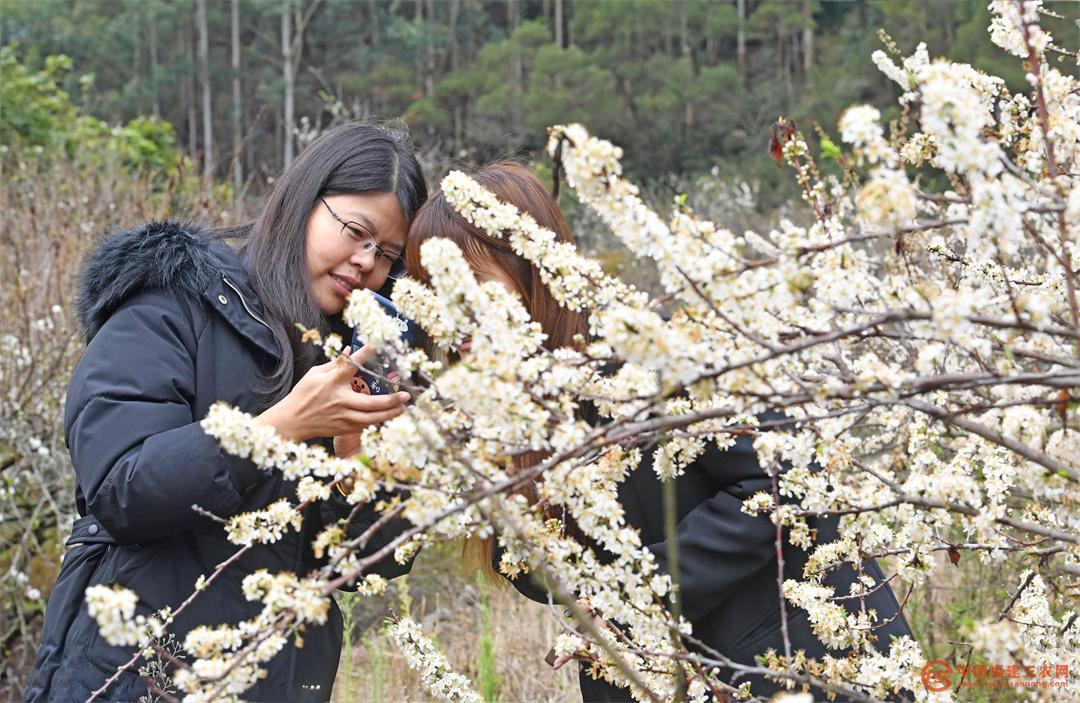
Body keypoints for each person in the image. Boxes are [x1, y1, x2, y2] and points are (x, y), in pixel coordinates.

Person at [403, 162, 913, 701]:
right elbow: (542, 574)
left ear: (532, 270)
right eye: (432, 298)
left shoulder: (649, 352)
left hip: (794, 657)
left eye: (469, 288)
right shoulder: (496, 409)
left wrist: (640, 593)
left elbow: (783, 478)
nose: (450, 320)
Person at [24, 122, 427, 703]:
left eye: (387, 253)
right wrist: (282, 425)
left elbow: (374, 564)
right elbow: (121, 489)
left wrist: (360, 476)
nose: (367, 262)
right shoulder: (172, 304)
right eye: (356, 232)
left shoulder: (348, 359)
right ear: (301, 204)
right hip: (138, 675)